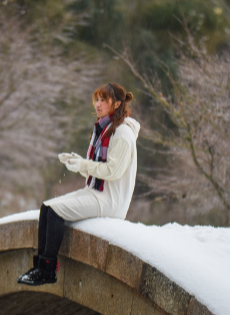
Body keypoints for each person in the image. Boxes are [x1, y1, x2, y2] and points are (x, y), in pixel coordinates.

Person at [17, 82, 140, 286]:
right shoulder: (105, 129)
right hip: (95, 192)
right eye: (97, 99)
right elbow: (97, 168)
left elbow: (113, 171)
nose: (98, 104)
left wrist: (83, 164)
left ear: (117, 104)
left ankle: (48, 270)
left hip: (109, 201)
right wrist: (76, 162)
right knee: (47, 208)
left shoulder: (123, 133)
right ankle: (39, 266)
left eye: (103, 100)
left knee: (56, 212)